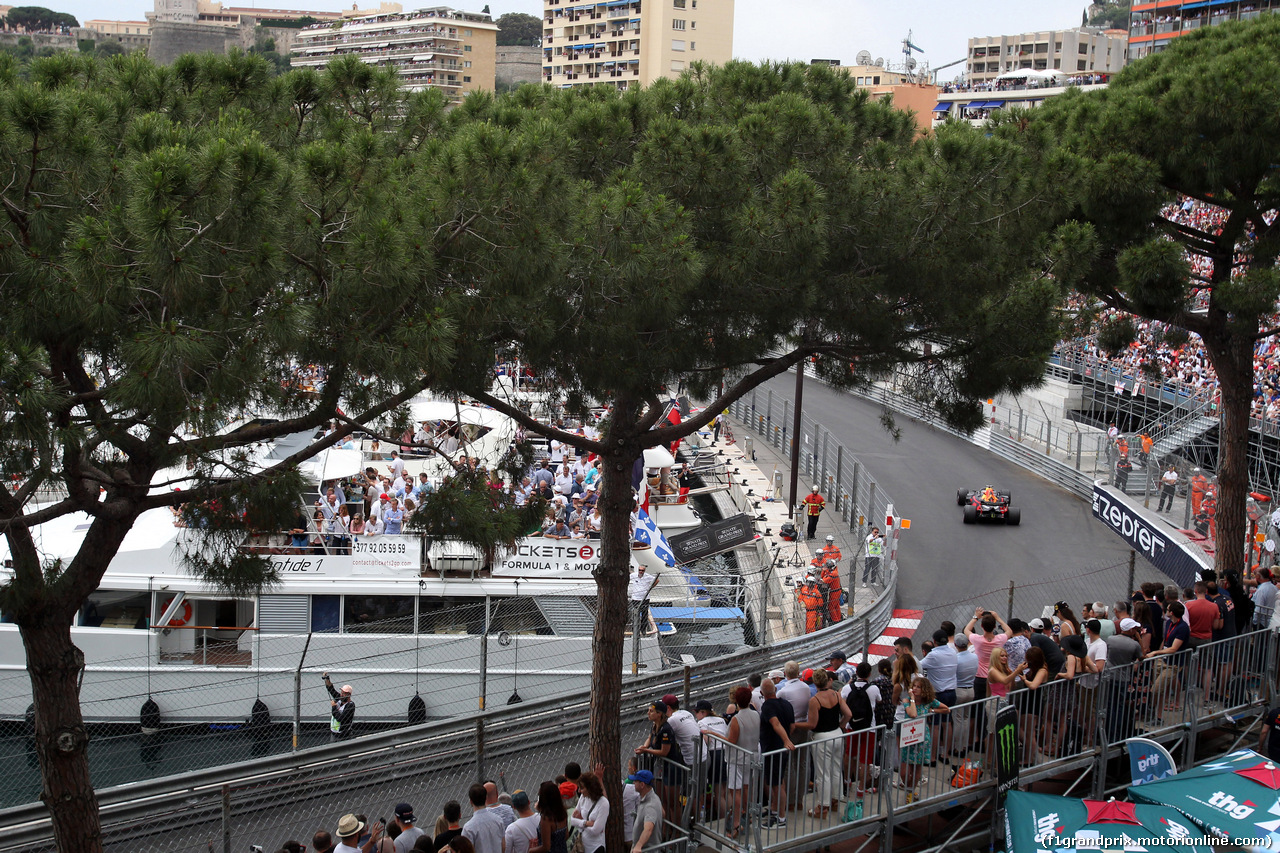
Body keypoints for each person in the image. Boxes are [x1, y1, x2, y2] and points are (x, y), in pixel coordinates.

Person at [797, 667, 850, 818]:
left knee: (822, 773)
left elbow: (812, 724)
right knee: (836, 769)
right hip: (837, 735)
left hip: (822, 738)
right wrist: (840, 725)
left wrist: (795, 725)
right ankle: (834, 800)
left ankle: (822, 806)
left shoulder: (815, 700)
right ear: (827, 681)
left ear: (815, 682)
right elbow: (848, 714)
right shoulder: (836, 694)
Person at [900, 676, 949, 802]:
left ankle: (910, 792)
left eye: (918, 687)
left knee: (917, 768)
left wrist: (932, 710)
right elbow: (912, 714)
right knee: (904, 772)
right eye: (914, 686)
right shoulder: (907, 700)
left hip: (922, 737)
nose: (915, 689)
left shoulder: (928, 701)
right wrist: (912, 699)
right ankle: (909, 788)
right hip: (908, 737)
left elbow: (946, 709)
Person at [634, 700, 685, 819]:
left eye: (651, 711)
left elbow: (664, 752)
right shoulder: (655, 726)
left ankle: (677, 830)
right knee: (663, 800)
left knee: (672, 802)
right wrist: (645, 746)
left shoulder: (666, 729)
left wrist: (646, 751)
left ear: (659, 714)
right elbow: (650, 737)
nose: (648, 713)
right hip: (660, 768)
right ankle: (666, 828)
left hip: (671, 768)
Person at [758, 678, 796, 829]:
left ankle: (781, 818)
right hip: (780, 748)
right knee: (778, 780)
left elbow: (775, 723)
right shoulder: (787, 704)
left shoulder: (767, 707)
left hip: (773, 749)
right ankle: (775, 809)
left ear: (762, 693)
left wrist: (785, 740)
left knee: (776, 784)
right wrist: (786, 738)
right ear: (774, 690)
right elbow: (792, 725)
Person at [569, 772, 608, 853]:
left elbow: (595, 831)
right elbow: (572, 820)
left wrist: (579, 823)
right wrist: (586, 823)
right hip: (582, 846)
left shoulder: (603, 803)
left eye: (582, 788)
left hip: (596, 848)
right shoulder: (583, 798)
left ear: (590, 788)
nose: (579, 791)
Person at [460, 783, 503, 853]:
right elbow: (503, 846)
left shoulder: (468, 828)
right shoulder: (498, 820)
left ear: (471, 801)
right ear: (486, 798)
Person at [629, 769, 663, 853]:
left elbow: (648, 829)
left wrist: (638, 846)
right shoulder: (654, 797)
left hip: (646, 850)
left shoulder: (650, 806)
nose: (633, 783)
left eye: (635, 781)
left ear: (642, 784)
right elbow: (663, 813)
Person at [529, 780, 568, 853]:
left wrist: (531, 851)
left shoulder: (546, 819)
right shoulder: (563, 812)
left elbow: (546, 847)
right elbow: (566, 835)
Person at [323, 673, 355, 741]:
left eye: (344, 693)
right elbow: (331, 689)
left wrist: (334, 707)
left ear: (349, 695)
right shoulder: (339, 698)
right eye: (341, 692)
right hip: (334, 733)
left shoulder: (350, 705)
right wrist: (327, 679)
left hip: (343, 735)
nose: (342, 694)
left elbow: (340, 718)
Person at [819, 559, 843, 624]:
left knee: (831, 606)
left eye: (828, 567)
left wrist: (824, 571)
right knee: (836, 605)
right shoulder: (832, 571)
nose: (827, 568)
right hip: (836, 591)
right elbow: (823, 576)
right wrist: (824, 571)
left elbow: (824, 580)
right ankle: (839, 618)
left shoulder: (833, 573)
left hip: (835, 592)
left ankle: (835, 621)